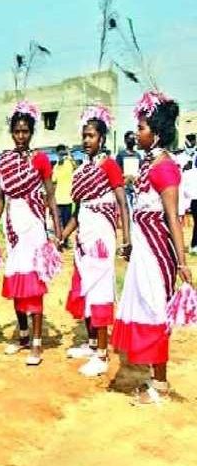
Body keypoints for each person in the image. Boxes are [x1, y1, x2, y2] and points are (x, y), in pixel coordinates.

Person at [111, 91, 192, 405]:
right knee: (145, 308)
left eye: (142, 128)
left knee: (156, 310)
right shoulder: (148, 164)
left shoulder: (165, 168)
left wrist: (182, 262)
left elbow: (173, 219)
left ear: (156, 133)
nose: (137, 133)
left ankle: (160, 383)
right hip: (144, 250)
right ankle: (153, 377)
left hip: (158, 254)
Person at [60, 105, 131, 376]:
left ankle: (102, 355)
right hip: (84, 237)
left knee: (100, 290)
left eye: (91, 135)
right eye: (84, 135)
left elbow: (123, 204)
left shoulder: (109, 166)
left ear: (101, 138)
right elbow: (78, 211)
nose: (86, 140)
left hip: (101, 237)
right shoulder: (82, 169)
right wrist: (63, 235)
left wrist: (126, 239)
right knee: (87, 288)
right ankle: (91, 345)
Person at [0, 101, 62, 366]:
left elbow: (51, 196)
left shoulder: (40, 159)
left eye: (25, 131)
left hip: (34, 226)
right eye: (17, 131)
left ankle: (37, 343)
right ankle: (22, 335)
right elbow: (0, 198)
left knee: (33, 284)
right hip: (13, 227)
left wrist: (57, 231)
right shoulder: (5, 161)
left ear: (32, 133)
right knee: (17, 283)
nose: (21, 136)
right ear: (11, 132)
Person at [52, 144, 76, 247]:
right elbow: (53, 181)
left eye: (62, 152)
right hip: (58, 198)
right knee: (59, 222)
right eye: (59, 153)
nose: (61, 154)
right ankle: (60, 240)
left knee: (67, 221)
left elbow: (76, 168)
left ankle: (65, 240)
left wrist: (69, 155)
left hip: (68, 198)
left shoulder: (70, 163)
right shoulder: (56, 167)